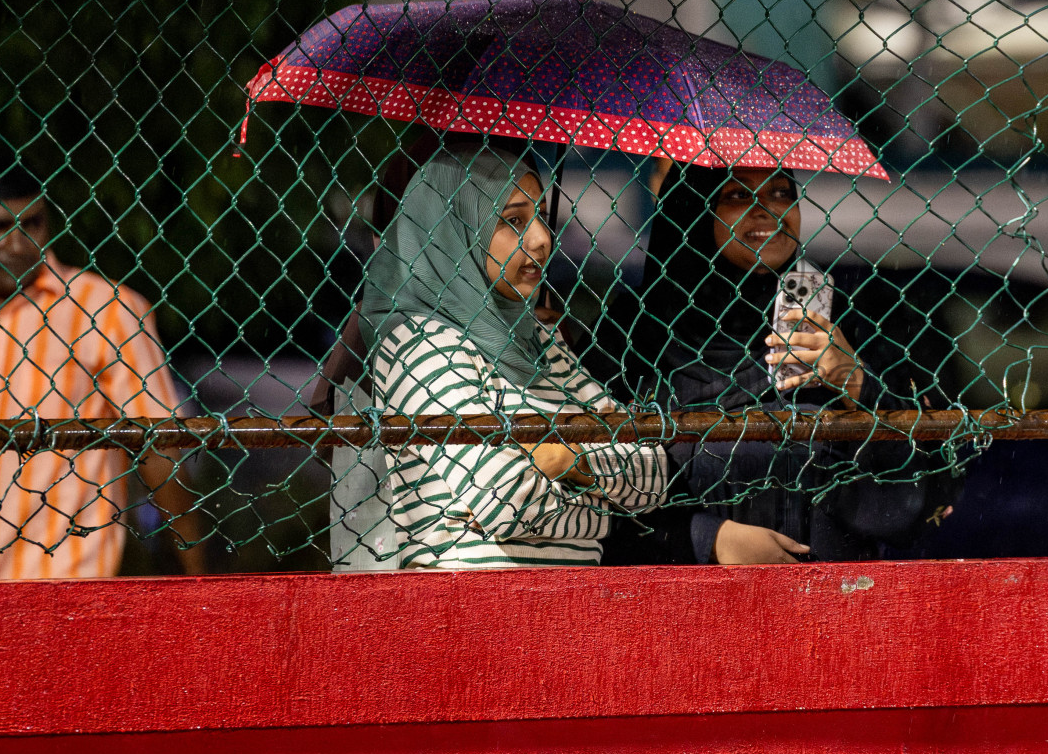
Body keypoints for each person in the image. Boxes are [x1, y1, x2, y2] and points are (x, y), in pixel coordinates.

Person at [585, 162, 954, 566]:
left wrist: (855, 381)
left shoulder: (844, 321)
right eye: (738, 194)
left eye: (781, 193)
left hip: (836, 593)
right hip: (681, 596)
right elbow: (584, 488)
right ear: (693, 210)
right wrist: (708, 539)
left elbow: (921, 499)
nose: (767, 210)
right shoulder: (635, 332)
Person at [356, 139, 669, 568]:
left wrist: (566, 458)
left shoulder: (541, 340)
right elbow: (505, 501)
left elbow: (653, 475)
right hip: (468, 602)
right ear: (455, 229)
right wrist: (603, 514)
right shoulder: (419, 346)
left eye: (540, 215)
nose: (542, 239)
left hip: (578, 601)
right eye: (514, 220)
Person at [0, 161, 205, 579]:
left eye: (30, 224)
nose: (15, 243)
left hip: (63, 582)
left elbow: (160, 450)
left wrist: (198, 579)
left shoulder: (105, 310)